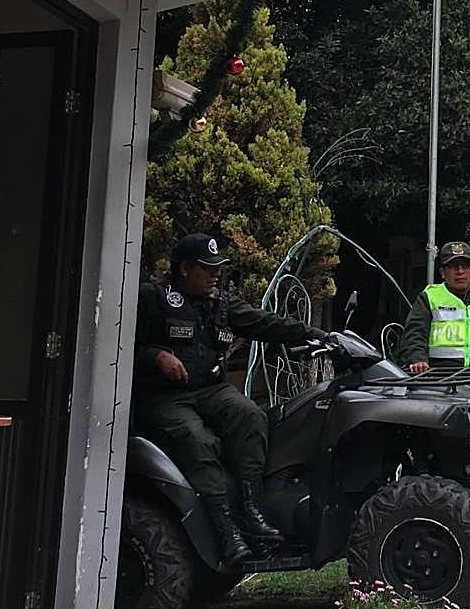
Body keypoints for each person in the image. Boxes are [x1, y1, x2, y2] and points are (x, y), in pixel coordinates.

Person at [133, 233, 326, 565]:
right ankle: (225, 531)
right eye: (207, 269)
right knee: (196, 439)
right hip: (167, 398)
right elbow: (116, 342)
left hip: (210, 389)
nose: (215, 275)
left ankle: (252, 510)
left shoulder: (220, 303)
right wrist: (155, 356)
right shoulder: (152, 298)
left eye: (218, 268)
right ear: (184, 270)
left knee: (250, 415)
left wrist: (318, 336)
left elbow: (266, 323)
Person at [397, 241, 470, 374]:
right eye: (453, 266)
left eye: (465, 266)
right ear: (442, 272)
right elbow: (414, 334)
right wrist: (417, 359)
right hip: (439, 378)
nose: (460, 271)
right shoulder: (429, 297)